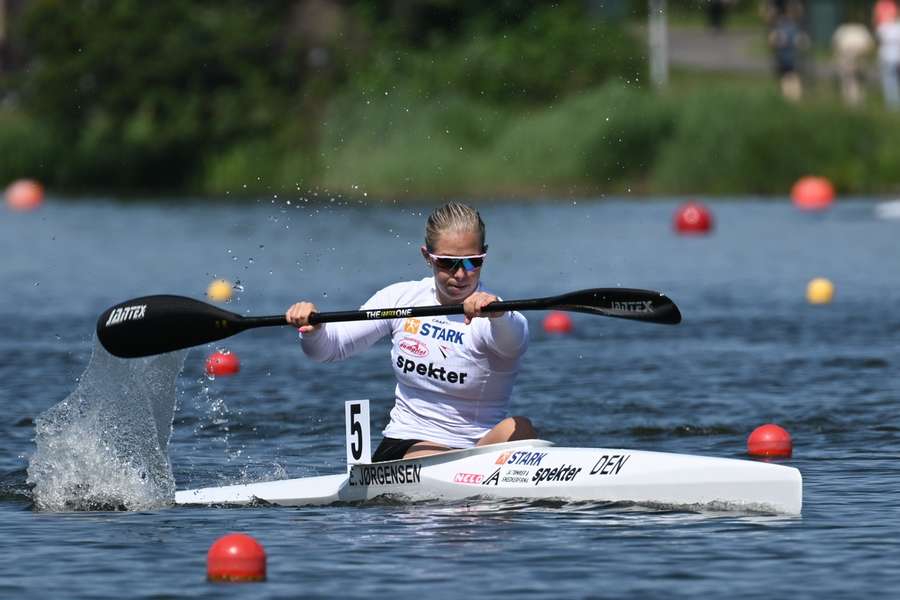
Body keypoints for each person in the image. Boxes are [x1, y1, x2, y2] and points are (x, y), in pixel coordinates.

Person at [285, 202, 536, 462]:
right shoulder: (401, 299)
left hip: (480, 450)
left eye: (473, 262)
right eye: (448, 264)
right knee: (432, 455)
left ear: (484, 255)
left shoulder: (497, 315)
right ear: (427, 256)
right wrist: (313, 330)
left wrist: (497, 313)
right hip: (409, 445)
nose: (461, 274)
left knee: (520, 428)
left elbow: (515, 342)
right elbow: (329, 350)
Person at [768, 3, 809, 101]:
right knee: (789, 79)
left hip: (789, 59)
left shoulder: (785, 26)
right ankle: (791, 100)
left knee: (790, 79)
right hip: (787, 59)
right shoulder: (791, 27)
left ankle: (791, 100)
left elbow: (772, 41)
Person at [831, 22, 874, 107]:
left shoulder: (843, 29)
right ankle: (854, 101)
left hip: (853, 56)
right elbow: (869, 44)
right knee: (855, 79)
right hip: (853, 56)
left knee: (849, 79)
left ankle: (852, 101)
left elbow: (835, 44)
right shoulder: (861, 29)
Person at [877, 14, 900, 109]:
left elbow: (878, 39)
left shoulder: (883, 27)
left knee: (889, 80)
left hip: (887, 57)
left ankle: (892, 103)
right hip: (896, 56)